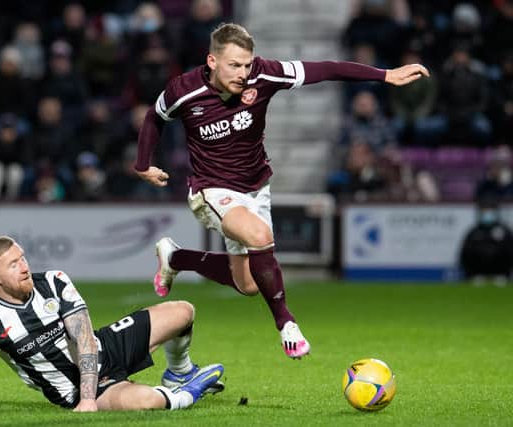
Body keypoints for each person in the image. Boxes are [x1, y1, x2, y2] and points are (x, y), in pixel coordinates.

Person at [134, 23, 429, 359]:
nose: (243, 73)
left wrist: (384, 75)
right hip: (211, 190)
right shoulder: (183, 90)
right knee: (259, 236)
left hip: (256, 187)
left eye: (247, 64)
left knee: (247, 284)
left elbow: (325, 69)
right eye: (234, 65)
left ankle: (175, 257)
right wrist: (143, 164)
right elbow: (154, 118)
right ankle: (287, 324)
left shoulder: (265, 74)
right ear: (212, 61)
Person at [0, 236, 224, 412]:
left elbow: (85, 338)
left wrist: (89, 401)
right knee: (148, 401)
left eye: (23, 258)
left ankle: (180, 373)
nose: (25, 266)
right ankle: (187, 394)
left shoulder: (54, 281)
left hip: (106, 348)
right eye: (13, 264)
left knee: (182, 312)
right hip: (75, 390)